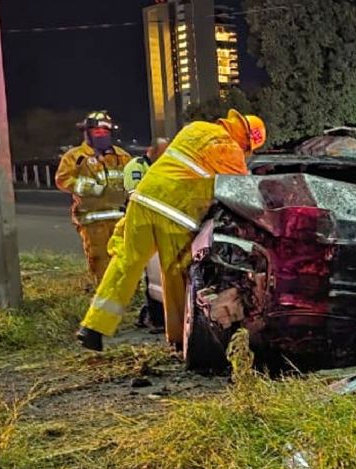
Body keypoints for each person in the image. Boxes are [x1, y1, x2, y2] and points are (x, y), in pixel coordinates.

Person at [76, 110, 267, 351]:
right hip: (175, 214)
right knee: (176, 275)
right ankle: (179, 339)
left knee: (126, 263)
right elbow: (244, 195)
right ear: (247, 141)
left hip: (143, 200)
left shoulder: (195, 128)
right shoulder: (231, 150)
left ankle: (93, 328)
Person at [56, 111, 132, 282]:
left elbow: (131, 180)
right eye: (97, 131)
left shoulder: (122, 156)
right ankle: (105, 293)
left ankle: (129, 292)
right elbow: (63, 180)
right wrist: (94, 188)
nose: (102, 135)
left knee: (125, 258)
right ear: (87, 133)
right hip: (92, 221)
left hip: (121, 219)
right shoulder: (75, 157)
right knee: (100, 261)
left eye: (105, 132)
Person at [123, 138, 169, 331]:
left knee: (156, 272)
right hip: (141, 223)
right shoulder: (137, 166)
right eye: (163, 151)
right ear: (152, 150)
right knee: (150, 271)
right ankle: (154, 318)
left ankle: (152, 314)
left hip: (160, 222)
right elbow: (136, 194)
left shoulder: (166, 167)